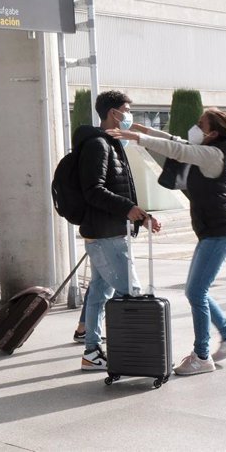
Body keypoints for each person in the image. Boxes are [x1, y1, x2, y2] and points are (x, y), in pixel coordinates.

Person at [108, 107, 226, 376]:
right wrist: (144, 129)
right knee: (199, 291)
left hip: (220, 231)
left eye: (200, 123)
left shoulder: (213, 155)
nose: (195, 127)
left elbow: (180, 151)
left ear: (213, 133)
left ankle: (202, 356)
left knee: (196, 292)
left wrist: (138, 139)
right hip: (213, 231)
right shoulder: (210, 148)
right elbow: (177, 142)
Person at [76, 90, 161, 371]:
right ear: (113, 113)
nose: (129, 116)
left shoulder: (111, 143)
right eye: (126, 109)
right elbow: (94, 190)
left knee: (100, 293)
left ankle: (92, 351)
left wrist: (140, 217)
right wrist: (128, 209)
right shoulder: (98, 145)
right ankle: (136, 354)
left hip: (109, 231)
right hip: (105, 235)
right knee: (131, 293)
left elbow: (115, 189)